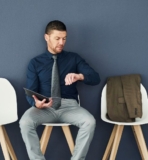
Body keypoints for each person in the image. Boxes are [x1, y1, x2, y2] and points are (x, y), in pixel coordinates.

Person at [19, 20, 100, 160]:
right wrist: (36, 104)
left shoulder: (74, 58)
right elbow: (30, 91)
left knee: (90, 121)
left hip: (70, 107)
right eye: (57, 38)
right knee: (25, 122)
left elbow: (95, 78)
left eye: (64, 38)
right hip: (44, 107)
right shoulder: (35, 63)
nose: (61, 42)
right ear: (47, 37)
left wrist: (79, 76)